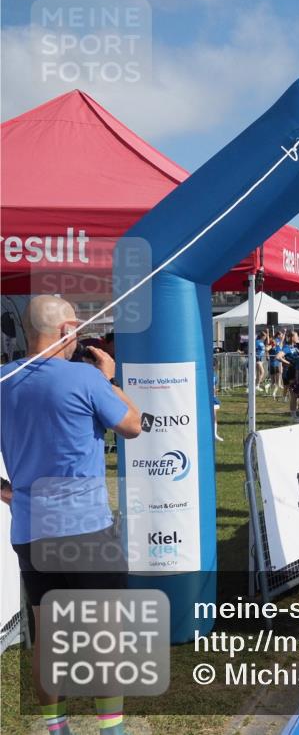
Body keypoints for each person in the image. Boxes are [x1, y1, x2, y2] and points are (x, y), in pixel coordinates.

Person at [1, 296, 142, 735]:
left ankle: (55, 727)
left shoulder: (3, 379)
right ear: (65, 331)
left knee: (47, 639)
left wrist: (8, 493)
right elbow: (133, 424)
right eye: (76, 331)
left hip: (30, 531)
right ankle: (111, 729)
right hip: (84, 529)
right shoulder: (85, 377)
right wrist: (110, 378)